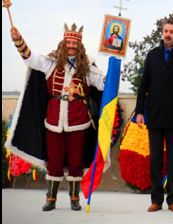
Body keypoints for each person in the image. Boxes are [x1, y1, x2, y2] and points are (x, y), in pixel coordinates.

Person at [8, 23, 105, 211]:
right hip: (53, 119)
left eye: (74, 43)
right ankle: (51, 198)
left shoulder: (87, 67)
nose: (71, 45)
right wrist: (18, 40)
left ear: (80, 45)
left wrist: (115, 70)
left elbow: (102, 85)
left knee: (76, 160)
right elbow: (30, 59)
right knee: (55, 159)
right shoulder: (50, 63)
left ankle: (74, 198)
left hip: (78, 120)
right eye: (68, 42)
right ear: (63, 42)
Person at [135, 19, 173, 212]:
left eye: (172, 32)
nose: (168, 34)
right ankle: (156, 200)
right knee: (155, 159)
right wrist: (138, 112)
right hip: (154, 114)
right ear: (163, 33)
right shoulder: (152, 55)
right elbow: (143, 85)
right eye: (166, 31)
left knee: (172, 161)